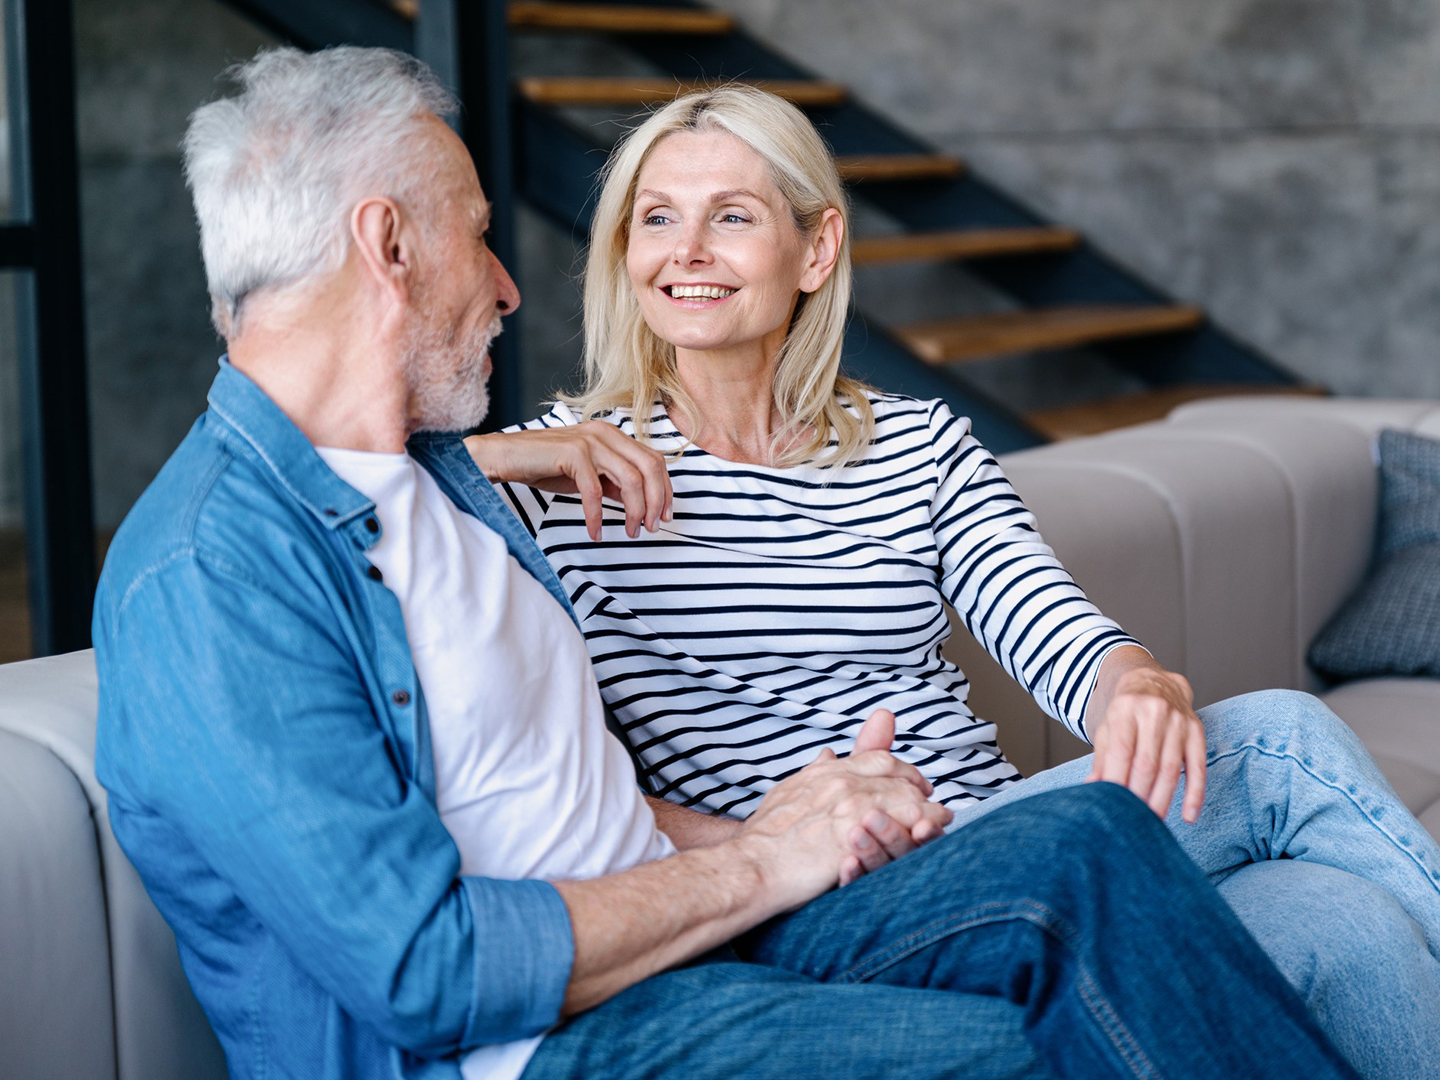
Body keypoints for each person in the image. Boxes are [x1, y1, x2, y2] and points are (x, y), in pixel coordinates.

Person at [88, 46, 1365, 1080]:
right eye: (482, 235)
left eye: (732, 217)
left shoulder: (445, 487)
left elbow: (560, 792)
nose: (508, 287)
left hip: (765, 893)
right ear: (389, 245)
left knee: (1276, 895)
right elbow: (427, 970)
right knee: (1061, 1022)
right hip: (574, 1017)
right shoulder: (214, 573)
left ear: (812, 255)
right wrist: (769, 854)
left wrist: (1107, 678)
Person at [470, 85, 1440, 1078]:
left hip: (1004, 845)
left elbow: (1045, 622)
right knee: (1283, 743)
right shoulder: (564, 471)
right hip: (799, 893)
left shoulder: (917, 445)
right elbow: (338, 510)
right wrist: (484, 457)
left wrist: (1133, 679)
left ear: (815, 249)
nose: (687, 250)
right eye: (658, 218)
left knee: (1342, 922)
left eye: (733, 216)